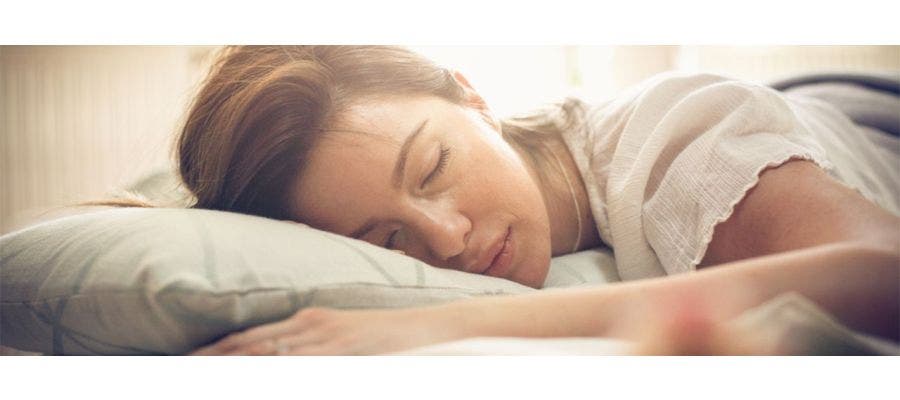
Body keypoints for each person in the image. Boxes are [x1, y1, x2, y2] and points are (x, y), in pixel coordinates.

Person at [177, 46, 898, 355]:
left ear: (473, 96)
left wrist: (436, 329)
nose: (449, 237)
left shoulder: (678, 140)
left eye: (432, 168)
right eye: (390, 241)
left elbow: (884, 273)